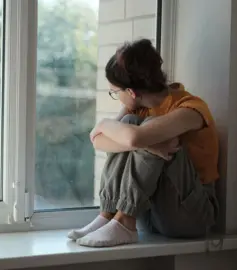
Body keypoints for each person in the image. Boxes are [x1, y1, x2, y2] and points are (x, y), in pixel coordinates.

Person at [68, 39, 219, 247]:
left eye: (115, 93)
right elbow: (98, 140)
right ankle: (110, 214)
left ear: (131, 92)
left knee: (153, 131)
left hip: (191, 216)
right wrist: (143, 143)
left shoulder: (191, 109)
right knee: (130, 125)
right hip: (152, 212)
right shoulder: (136, 108)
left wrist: (111, 127)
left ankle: (124, 221)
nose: (117, 97)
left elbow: (134, 138)